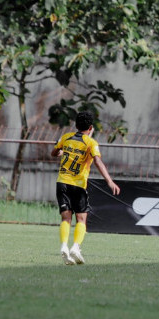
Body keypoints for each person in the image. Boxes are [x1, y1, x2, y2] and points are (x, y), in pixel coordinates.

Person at [51, 111, 120, 265]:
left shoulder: (66, 137)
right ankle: (75, 247)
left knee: (65, 218)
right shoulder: (91, 143)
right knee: (81, 219)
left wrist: (63, 151)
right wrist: (109, 181)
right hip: (78, 185)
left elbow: (54, 152)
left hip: (62, 182)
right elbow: (98, 161)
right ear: (90, 127)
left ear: (75, 125)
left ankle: (64, 246)